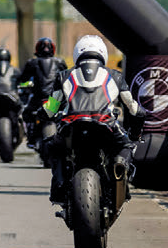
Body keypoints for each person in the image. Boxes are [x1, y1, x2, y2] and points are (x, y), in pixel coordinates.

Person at [41, 34, 144, 203]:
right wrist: (135, 134)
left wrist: (38, 113)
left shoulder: (64, 76)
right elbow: (135, 110)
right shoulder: (115, 76)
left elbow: (50, 110)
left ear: (77, 53)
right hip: (106, 124)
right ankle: (120, 167)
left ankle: (59, 184)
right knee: (126, 145)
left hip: (71, 125)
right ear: (103, 53)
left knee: (53, 147)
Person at [18, 36, 69, 142]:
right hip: (55, 100)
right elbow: (67, 78)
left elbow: (22, 80)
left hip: (38, 99)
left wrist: (26, 85)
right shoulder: (60, 62)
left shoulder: (32, 63)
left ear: (37, 49)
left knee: (26, 114)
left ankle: (31, 137)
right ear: (53, 49)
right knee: (67, 113)